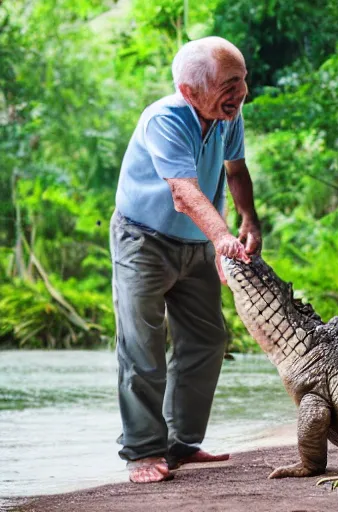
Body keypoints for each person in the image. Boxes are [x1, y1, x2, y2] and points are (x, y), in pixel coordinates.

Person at [110, 36, 261, 483]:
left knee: (208, 339)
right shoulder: (165, 119)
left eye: (243, 79)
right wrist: (221, 238)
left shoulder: (227, 114)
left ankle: (180, 444)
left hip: (196, 241)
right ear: (190, 91)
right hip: (143, 241)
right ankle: (141, 452)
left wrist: (248, 219)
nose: (242, 92)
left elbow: (235, 170)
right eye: (230, 83)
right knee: (143, 347)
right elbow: (184, 192)